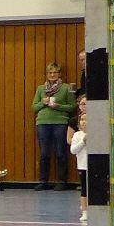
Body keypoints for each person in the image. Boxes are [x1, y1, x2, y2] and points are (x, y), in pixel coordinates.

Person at [33, 62, 74, 190]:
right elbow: (34, 107)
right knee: (44, 153)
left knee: (61, 153)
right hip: (43, 123)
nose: (52, 75)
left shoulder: (67, 88)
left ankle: (62, 181)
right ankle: (43, 181)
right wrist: (42, 103)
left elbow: (72, 107)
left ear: (59, 74)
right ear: (46, 74)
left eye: (55, 72)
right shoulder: (40, 89)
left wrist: (58, 106)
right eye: (50, 72)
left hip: (60, 123)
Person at [72, 112, 90, 223]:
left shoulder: (97, 134)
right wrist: (83, 142)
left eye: (86, 119)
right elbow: (73, 150)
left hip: (96, 166)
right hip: (83, 166)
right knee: (84, 189)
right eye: (82, 119)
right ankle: (85, 211)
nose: (84, 122)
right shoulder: (77, 135)